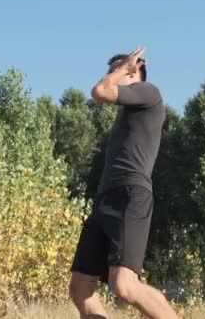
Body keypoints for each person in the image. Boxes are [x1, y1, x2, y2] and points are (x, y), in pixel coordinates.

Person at [68, 48, 178, 319]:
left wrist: (125, 68)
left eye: (123, 71)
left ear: (136, 74)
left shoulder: (150, 94)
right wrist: (121, 70)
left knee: (124, 285)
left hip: (131, 195)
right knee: (80, 289)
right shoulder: (127, 114)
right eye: (112, 70)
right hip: (106, 198)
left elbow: (99, 92)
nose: (112, 76)